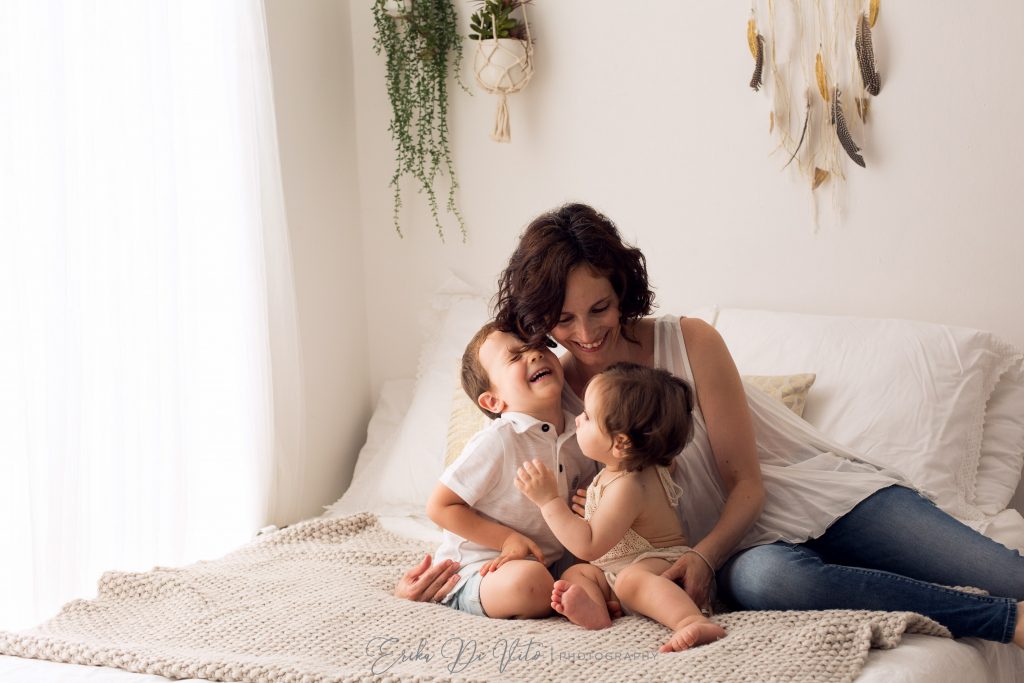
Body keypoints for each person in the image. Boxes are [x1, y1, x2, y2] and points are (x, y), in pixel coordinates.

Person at [397, 202, 1024, 648]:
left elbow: (745, 481)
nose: (586, 335)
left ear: (623, 291)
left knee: (1007, 573)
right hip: (737, 552)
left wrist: (700, 552)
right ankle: (1002, 623)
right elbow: (528, 512)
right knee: (769, 580)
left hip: (807, 496)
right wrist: (453, 577)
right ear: (538, 320)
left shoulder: (690, 340)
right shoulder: (552, 397)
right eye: (563, 320)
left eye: (600, 308)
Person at [516, 362, 727, 652]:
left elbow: (589, 546)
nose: (578, 419)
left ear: (621, 444)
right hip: (616, 573)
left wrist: (548, 500)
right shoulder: (627, 467)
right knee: (578, 575)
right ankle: (596, 610)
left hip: (665, 570)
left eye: (588, 417)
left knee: (629, 579)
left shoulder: (630, 485)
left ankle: (691, 620)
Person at [423, 320, 598, 618]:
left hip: (549, 564)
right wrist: (507, 540)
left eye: (539, 347)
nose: (534, 355)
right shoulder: (499, 440)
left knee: (596, 572)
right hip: (481, 569)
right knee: (531, 583)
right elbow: (439, 506)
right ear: (493, 400)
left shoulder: (580, 431)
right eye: (515, 357)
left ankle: (591, 608)